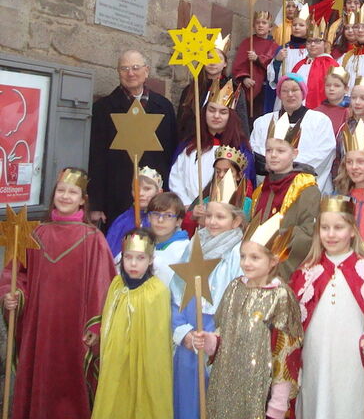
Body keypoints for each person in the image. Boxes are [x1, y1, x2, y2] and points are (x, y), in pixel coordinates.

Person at [0, 168, 115, 419]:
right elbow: (16, 275)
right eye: (61, 191)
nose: (65, 196)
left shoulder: (93, 239)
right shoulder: (35, 234)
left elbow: (104, 286)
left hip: (75, 330)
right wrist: (14, 295)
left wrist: (95, 328)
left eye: (72, 192)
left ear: (82, 199)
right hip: (39, 327)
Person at [289, 195, 364, 419]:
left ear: (352, 230)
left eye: (338, 227)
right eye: (325, 228)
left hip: (354, 369)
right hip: (315, 366)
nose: (331, 234)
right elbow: (292, 331)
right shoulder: (306, 274)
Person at [199, 213, 303, 419]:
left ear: (273, 261)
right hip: (225, 390)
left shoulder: (280, 296)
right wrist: (210, 341)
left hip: (259, 395)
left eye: (255, 257)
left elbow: (286, 352)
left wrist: (277, 405)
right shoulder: (235, 287)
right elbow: (225, 332)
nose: (246, 263)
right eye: (243, 256)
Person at [171, 170, 245, 419]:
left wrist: (217, 337)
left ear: (235, 222)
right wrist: (183, 333)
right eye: (209, 215)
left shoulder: (239, 254)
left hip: (218, 337)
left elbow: (241, 301)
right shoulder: (194, 245)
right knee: (188, 400)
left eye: (220, 217)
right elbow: (176, 293)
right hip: (190, 335)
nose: (212, 222)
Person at [88, 49, 177, 229]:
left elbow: (170, 154)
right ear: (118, 73)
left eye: (136, 67)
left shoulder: (164, 107)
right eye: (124, 68)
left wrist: (167, 195)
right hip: (116, 195)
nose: (130, 73)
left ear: (146, 71)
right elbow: (96, 158)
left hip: (154, 197)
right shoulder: (103, 109)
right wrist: (96, 204)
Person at [91, 228, 173, 419]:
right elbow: (108, 322)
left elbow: (158, 338)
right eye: (128, 257)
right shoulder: (116, 285)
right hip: (117, 358)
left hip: (145, 361)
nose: (133, 264)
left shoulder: (156, 291)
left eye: (140, 258)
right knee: (116, 395)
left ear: (151, 260)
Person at [169, 79, 255, 209]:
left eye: (223, 112)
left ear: (231, 116)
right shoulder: (189, 145)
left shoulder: (240, 149)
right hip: (188, 211)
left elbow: (244, 185)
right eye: (212, 110)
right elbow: (176, 177)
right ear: (204, 113)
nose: (216, 116)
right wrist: (187, 205)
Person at [251, 131, 320, 281]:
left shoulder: (306, 188)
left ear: (294, 153)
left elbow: (309, 232)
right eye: (269, 150)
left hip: (285, 268)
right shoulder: (261, 190)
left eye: (281, 151)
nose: (273, 155)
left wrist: (273, 238)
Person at [250, 74, 336, 192]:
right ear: (279, 95)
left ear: (303, 93)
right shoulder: (262, 122)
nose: (290, 94)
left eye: (295, 90)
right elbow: (256, 152)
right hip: (271, 187)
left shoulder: (320, 121)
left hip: (305, 188)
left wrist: (285, 167)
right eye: (285, 91)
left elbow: (323, 153)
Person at [176, 33, 249, 140]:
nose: (213, 62)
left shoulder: (233, 89)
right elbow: (181, 123)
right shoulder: (191, 89)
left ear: (225, 63)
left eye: (218, 58)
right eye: (209, 58)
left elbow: (241, 123)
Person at [232, 9, 279, 122]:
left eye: (264, 23)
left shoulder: (274, 46)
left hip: (264, 89)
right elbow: (239, 64)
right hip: (248, 87)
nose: (260, 25)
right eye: (258, 23)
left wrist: (258, 59)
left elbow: (272, 64)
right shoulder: (248, 42)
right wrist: (244, 78)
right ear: (253, 25)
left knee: (260, 117)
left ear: (270, 27)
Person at [105, 166, 163, 258]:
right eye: (136, 188)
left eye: (147, 189)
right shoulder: (122, 221)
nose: (140, 193)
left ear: (159, 192)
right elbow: (109, 254)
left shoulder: (162, 221)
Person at [291, 16, 338, 109]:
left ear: (324, 44)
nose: (312, 45)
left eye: (317, 41)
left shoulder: (331, 65)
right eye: (309, 41)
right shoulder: (299, 65)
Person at [147, 192, 189, 287]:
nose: (160, 220)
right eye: (156, 214)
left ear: (178, 221)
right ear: (149, 217)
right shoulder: (142, 245)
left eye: (168, 215)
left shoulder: (185, 250)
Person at [315, 65, 350, 135]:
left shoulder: (350, 112)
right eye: (328, 85)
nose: (331, 89)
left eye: (337, 86)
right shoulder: (317, 112)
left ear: (346, 89)